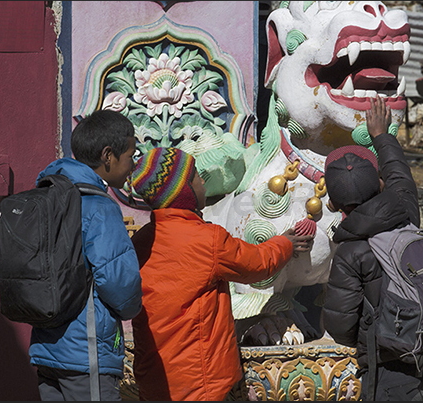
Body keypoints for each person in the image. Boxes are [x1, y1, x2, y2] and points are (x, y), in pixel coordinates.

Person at [128, 147, 314, 401]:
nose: (203, 180)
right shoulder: (207, 239)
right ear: (184, 192)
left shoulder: (140, 241)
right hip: (199, 377)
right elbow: (256, 264)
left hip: (153, 375)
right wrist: (285, 243)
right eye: (195, 176)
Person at [321, 96, 423, 401]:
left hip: (390, 370)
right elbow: (400, 175)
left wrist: (378, 331)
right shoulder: (405, 214)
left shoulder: (350, 254)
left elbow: (341, 327)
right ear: (379, 185)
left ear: (333, 204)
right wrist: (382, 135)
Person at [30, 109, 143, 401]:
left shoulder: (47, 195)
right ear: (108, 155)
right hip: (86, 353)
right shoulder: (97, 205)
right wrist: (132, 308)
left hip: (47, 347)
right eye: (131, 154)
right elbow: (119, 282)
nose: (133, 165)